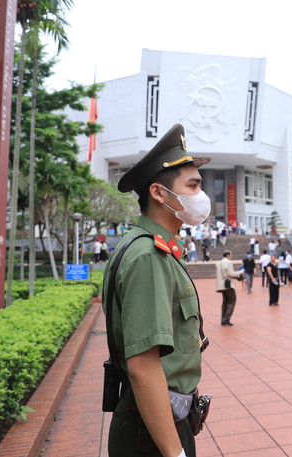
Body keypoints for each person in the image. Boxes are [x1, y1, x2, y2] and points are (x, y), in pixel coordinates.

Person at [104, 122, 211, 457]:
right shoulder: (148, 255)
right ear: (159, 193)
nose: (201, 196)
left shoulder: (148, 247)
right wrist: (174, 452)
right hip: (152, 434)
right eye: (192, 186)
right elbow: (143, 366)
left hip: (160, 420)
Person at [216, 250, 241, 326]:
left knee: (225, 302)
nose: (231, 256)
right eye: (231, 255)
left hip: (221, 285)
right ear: (228, 255)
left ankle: (223, 318)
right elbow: (231, 274)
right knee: (232, 301)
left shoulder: (218, 263)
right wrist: (239, 273)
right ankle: (226, 318)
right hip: (228, 284)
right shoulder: (228, 262)